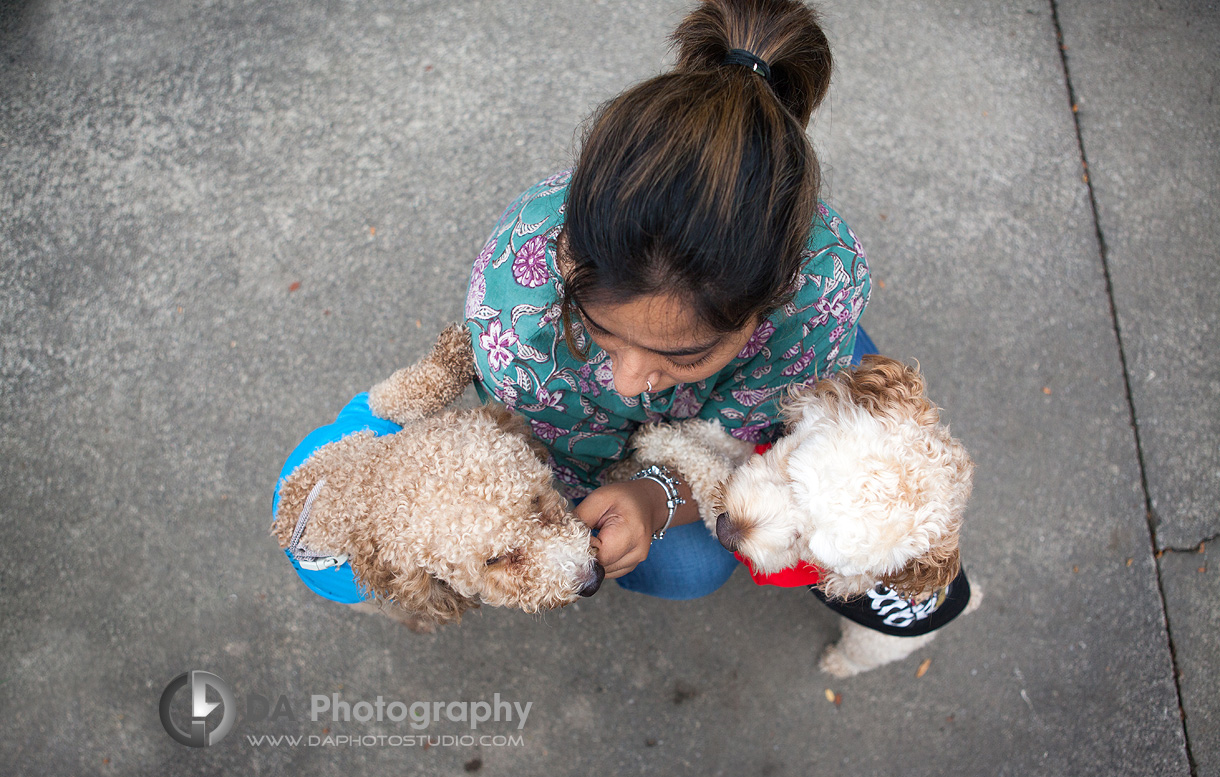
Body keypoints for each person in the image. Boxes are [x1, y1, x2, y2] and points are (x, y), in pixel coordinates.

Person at [274, 0, 971, 637]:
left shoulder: (824, 281)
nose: (634, 381)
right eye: (603, 333)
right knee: (692, 569)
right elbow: (551, 476)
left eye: (686, 355)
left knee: (828, 404)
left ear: (775, 297)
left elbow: (742, 435)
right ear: (569, 260)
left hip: (772, 369)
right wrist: (643, 495)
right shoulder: (515, 325)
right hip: (599, 429)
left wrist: (659, 493)